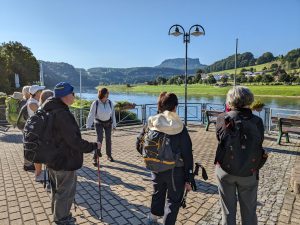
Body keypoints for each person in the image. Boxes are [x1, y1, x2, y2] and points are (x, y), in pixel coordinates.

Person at [42, 82, 101, 225]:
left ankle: (58, 215)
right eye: (72, 93)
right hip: (64, 160)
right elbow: (74, 141)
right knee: (65, 192)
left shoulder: (49, 108)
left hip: (51, 158)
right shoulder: (62, 114)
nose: (74, 96)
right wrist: (93, 146)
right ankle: (62, 219)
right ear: (65, 96)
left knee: (56, 190)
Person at [140, 92, 195, 225]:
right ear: (175, 107)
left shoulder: (151, 122)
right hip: (175, 170)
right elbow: (187, 154)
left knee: (157, 194)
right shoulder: (179, 127)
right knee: (173, 201)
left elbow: (139, 144)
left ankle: (151, 220)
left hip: (155, 168)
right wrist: (189, 177)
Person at [215, 86, 265, 225]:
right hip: (249, 171)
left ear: (230, 101)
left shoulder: (221, 118)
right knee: (249, 212)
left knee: (228, 212)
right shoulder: (257, 121)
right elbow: (259, 142)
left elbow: (220, 140)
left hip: (226, 170)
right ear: (249, 100)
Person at [86, 87, 116, 163]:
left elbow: (113, 114)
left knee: (108, 139)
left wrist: (114, 125)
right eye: (106, 93)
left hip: (108, 123)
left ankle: (109, 155)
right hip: (99, 123)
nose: (107, 95)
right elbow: (91, 114)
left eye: (107, 93)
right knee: (99, 139)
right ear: (102, 94)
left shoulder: (110, 102)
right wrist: (88, 125)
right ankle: (95, 157)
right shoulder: (95, 103)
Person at [27, 85, 45, 182]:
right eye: (40, 90)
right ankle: (38, 175)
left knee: (39, 152)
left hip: (38, 129)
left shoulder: (35, 101)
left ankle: (39, 173)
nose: (42, 91)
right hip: (35, 131)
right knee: (37, 152)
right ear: (36, 92)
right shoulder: (32, 103)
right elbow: (42, 113)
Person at [20, 85, 35, 171]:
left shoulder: (22, 101)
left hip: (24, 126)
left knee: (27, 144)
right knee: (28, 145)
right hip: (27, 126)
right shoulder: (27, 102)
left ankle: (28, 163)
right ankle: (28, 164)